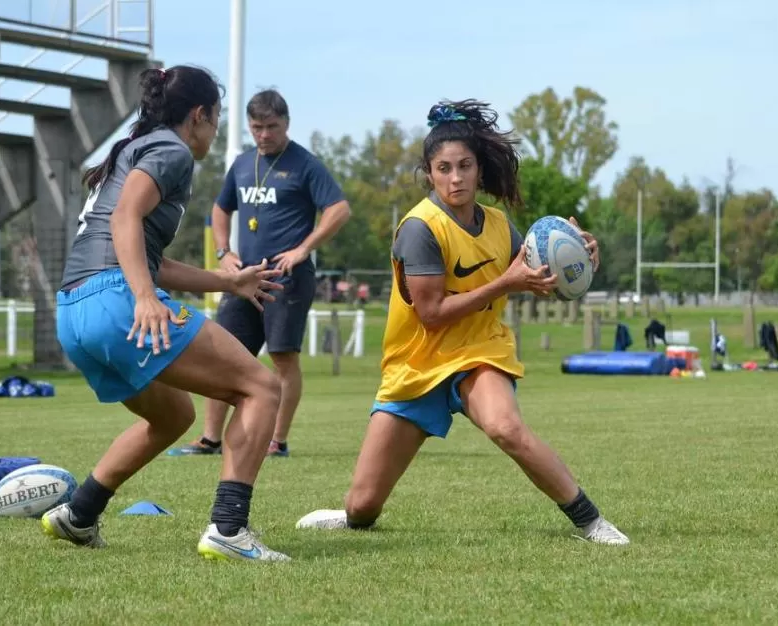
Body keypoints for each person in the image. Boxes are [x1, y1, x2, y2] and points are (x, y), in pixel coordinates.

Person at [296, 99, 630, 546]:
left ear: (478, 170)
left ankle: (591, 521)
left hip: (479, 353)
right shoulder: (420, 229)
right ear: (429, 173)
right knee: (362, 507)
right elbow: (431, 316)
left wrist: (578, 260)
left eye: (465, 166)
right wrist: (504, 283)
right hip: (417, 365)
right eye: (444, 168)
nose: (456, 178)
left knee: (506, 427)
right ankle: (351, 516)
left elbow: (536, 281)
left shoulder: (499, 225)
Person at [40, 65, 291, 562]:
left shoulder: (136, 148)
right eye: (216, 119)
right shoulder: (172, 150)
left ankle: (79, 514)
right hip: (117, 300)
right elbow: (124, 218)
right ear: (197, 115)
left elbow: (146, 251)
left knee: (174, 414)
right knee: (261, 388)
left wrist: (226, 280)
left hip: (74, 311)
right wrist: (143, 296)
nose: (216, 132)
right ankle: (229, 529)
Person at [168, 89, 351, 459]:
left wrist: (304, 248)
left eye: (272, 126)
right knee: (222, 355)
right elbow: (221, 210)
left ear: (286, 123)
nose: (264, 134)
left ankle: (277, 440)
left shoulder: (305, 164)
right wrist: (224, 252)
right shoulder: (241, 163)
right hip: (242, 279)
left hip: (286, 279)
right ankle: (210, 439)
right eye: (257, 127)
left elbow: (339, 209)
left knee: (283, 358)